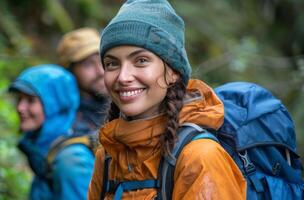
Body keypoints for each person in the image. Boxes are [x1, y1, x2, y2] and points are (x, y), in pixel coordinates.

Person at [88, 0, 247, 199]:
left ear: (173, 72)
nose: (123, 77)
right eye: (112, 64)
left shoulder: (200, 157)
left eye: (141, 60)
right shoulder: (109, 156)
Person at [9, 64, 94, 200]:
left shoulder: (71, 161)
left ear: (54, 105)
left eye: (30, 100)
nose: (20, 107)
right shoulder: (47, 149)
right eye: (19, 99)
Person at [57, 28, 108, 135]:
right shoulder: (66, 121)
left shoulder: (123, 104)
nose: (100, 71)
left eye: (102, 60)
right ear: (70, 72)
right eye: (88, 64)